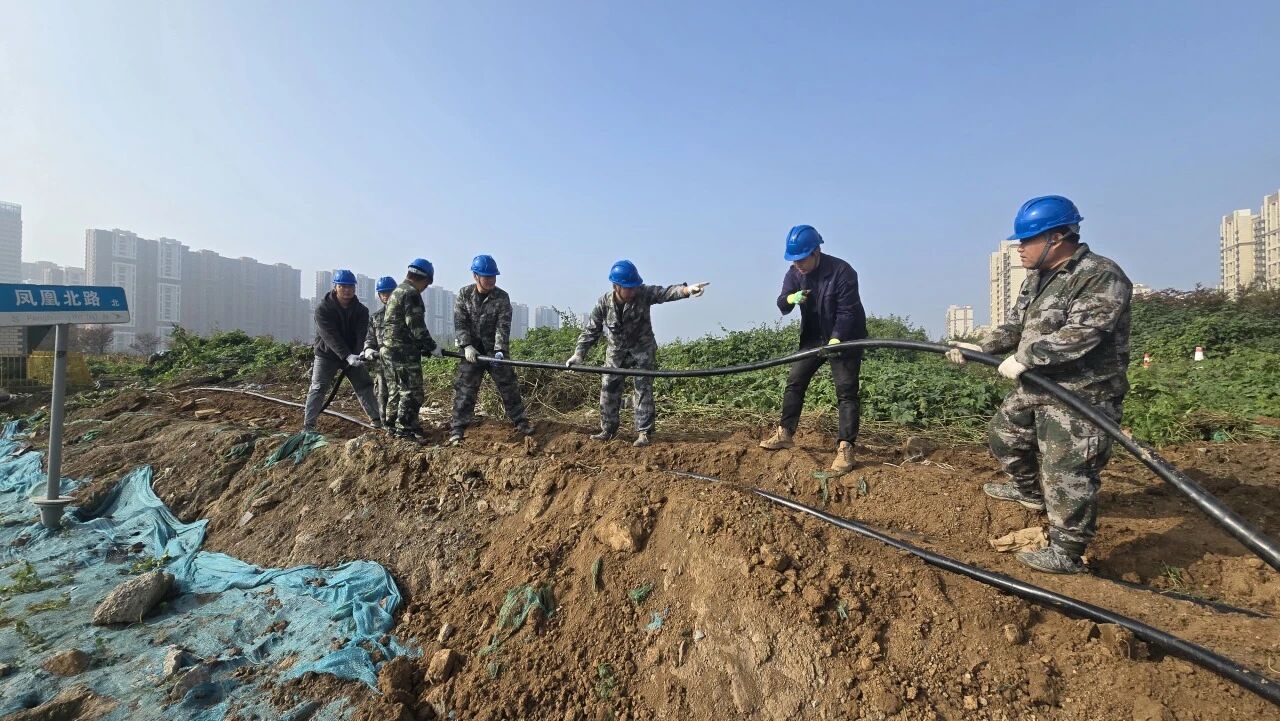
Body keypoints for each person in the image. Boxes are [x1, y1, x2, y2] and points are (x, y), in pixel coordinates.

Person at [946, 195, 1132, 574]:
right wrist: (982, 347)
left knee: (1068, 468)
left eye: (1026, 240)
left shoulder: (1100, 276)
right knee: (1005, 435)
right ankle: (1031, 494)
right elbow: (1015, 326)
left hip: (1083, 393)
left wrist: (1028, 357)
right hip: (1038, 385)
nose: (1019, 248)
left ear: (1056, 237)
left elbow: (1084, 333)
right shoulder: (1037, 280)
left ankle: (1068, 552)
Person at [758, 225, 867, 474]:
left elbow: (848, 312)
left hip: (846, 337)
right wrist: (791, 298)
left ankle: (846, 447)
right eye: (793, 259)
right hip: (813, 338)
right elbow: (782, 302)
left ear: (816, 252)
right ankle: (785, 433)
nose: (798, 264)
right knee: (795, 381)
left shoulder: (842, 271)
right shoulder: (794, 273)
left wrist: (837, 339)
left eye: (802, 259)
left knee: (846, 391)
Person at [566, 260, 708, 447]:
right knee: (608, 387)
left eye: (634, 286)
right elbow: (591, 330)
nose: (633, 291)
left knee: (643, 389)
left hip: (642, 350)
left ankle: (644, 433)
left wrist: (687, 290)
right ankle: (608, 430)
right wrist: (579, 354)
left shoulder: (643, 293)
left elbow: (664, 293)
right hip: (616, 353)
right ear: (616, 287)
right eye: (629, 288)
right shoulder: (603, 303)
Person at [449, 255, 534, 444]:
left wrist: (499, 350)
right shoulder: (464, 294)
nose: (491, 280)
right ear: (475, 276)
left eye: (493, 276)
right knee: (465, 389)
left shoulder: (502, 297)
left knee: (509, 386)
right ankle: (457, 428)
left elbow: (503, 326)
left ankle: (521, 422)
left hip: (494, 350)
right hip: (472, 351)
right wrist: (466, 345)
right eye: (486, 277)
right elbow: (460, 322)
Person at [302, 269, 383, 431]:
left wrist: (358, 353)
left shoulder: (361, 310)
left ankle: (377, 420)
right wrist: (346, 355)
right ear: (335, 287)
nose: (347, 290)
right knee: (318, 387)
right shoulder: (323, 309)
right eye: (343, 286)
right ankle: (308, 426)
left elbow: (361, 334)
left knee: (364, 385)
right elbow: (329, 335)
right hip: (326, 355)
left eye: (350, 286)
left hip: (353, 355)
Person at [381, 258, 442, 442]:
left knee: (396, 391)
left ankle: (392, 427)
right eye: (426, 285)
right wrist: (432, 347)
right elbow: (416, 326)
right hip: (403, 352)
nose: (424, 289)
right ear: (425, 279)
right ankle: (405, 431)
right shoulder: (411, 293)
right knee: (411, 391)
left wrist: (422, 347)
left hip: (389, 349)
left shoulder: (398, 290)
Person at [361, 275, 398, 423]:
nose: (386, 296)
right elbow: (370, 338)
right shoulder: (376, 317)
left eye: (390, 292)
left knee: (405, 397)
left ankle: (405, 426)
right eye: (383, 293)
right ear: (379, 295)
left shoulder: (406, 315)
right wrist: (368, 349)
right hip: (382, 365)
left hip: (402, 365)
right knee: (383, 395)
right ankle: (385, 425)